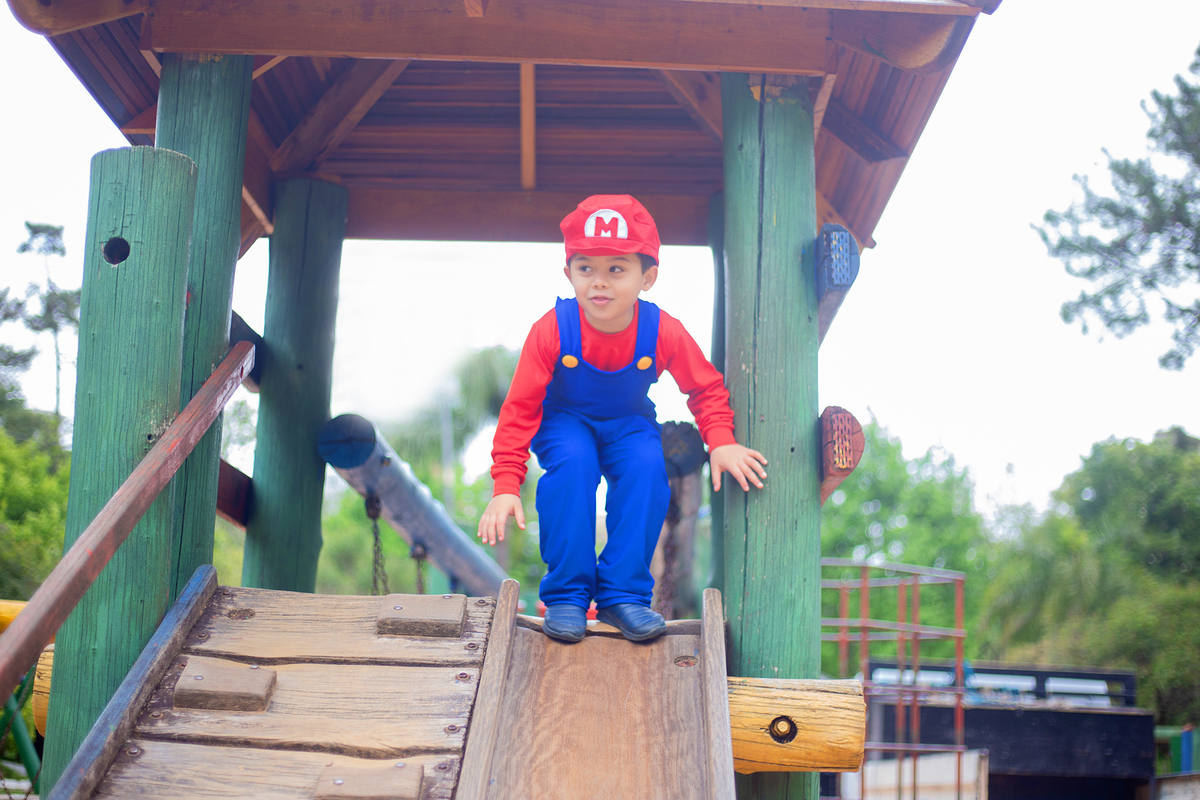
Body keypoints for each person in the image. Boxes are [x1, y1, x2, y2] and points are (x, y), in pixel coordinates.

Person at [477, 195, 767, 643]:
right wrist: (505, 485)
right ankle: (568, 596)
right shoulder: (552, 330)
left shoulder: (661, 330)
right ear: (569, 274)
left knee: (647, 471)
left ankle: (622, 596)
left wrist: (721, 440)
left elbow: (704, 386)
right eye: (586, 268)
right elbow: (520, 409)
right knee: (574, 467)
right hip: (565, 420)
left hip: (629, 421)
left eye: (617, 268)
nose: (599, 282)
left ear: (647, 277)